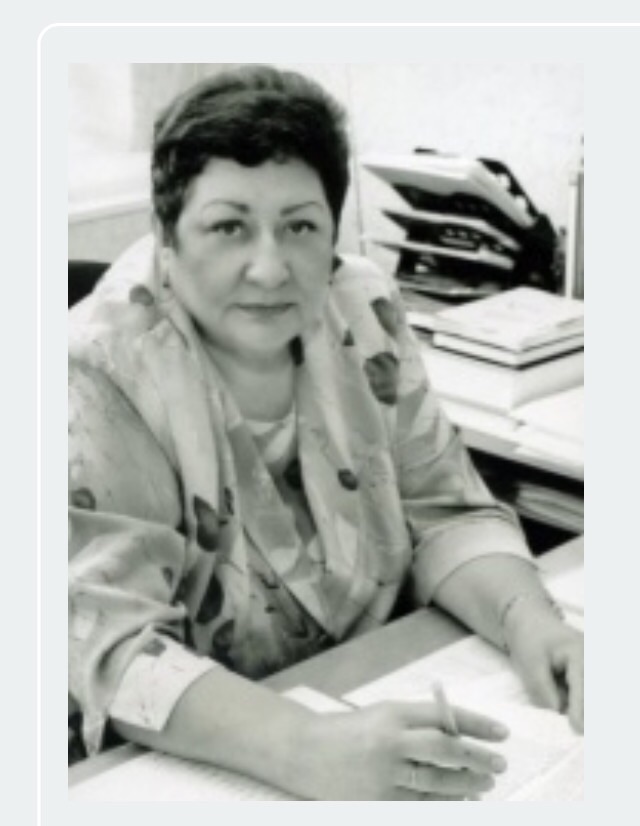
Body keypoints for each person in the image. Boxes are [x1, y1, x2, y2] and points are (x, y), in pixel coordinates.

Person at [68, 64, 583, 801]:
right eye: (228, 226)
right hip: (195, 763)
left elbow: (444, 511)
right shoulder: (97, 367)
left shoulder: (362, 307)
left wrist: (532, 622)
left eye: (301, 226)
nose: (270, 268)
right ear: (166, 237)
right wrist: (306, 747)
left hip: (374, 687)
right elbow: (110, 644)